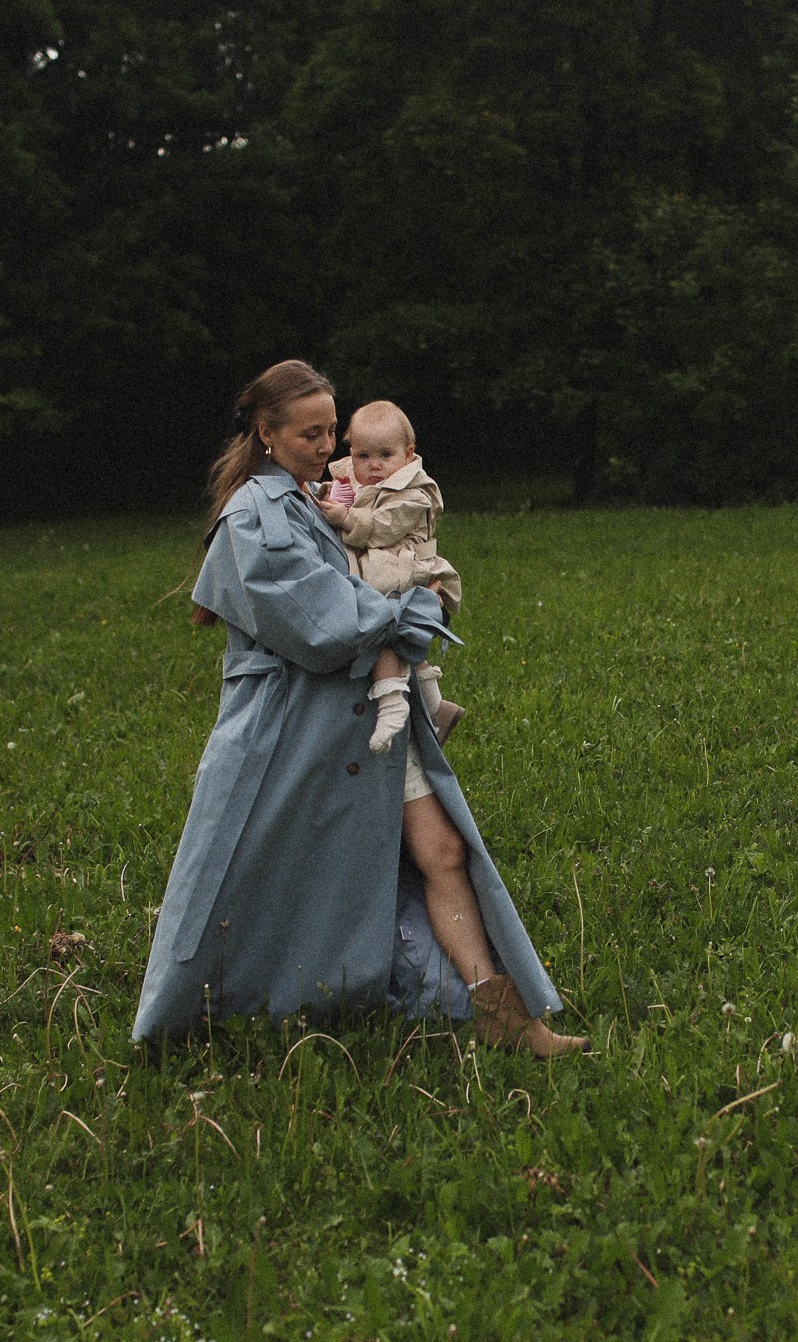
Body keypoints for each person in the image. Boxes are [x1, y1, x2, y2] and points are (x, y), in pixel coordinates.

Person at [133, 360, 586, 1057]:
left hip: (364, 720)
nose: (327, 447)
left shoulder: (321, 498)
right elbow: (325, 624)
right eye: (310, 434)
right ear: (266, 433)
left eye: (330, 432)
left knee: (443, 850)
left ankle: (502, 1014)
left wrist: (411, 594)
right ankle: (212, 1016)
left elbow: (381, 563)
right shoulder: (254, 515)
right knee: (257, 883)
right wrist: (419, 605)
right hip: (290, 736)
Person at [313, 400, 465, 751]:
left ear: (408, 455)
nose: (374, 465)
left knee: (381, 622)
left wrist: (346, 518)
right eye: (363, 455)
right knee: (396, 633)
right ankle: (434, 707)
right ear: (351, 453)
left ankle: (392, 701)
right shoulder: (350, 479)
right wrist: (327, 495)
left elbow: (385, 525)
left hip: (406, 570)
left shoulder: (416, 492)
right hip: (382, 569)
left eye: (385, 455)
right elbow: (338, 497)